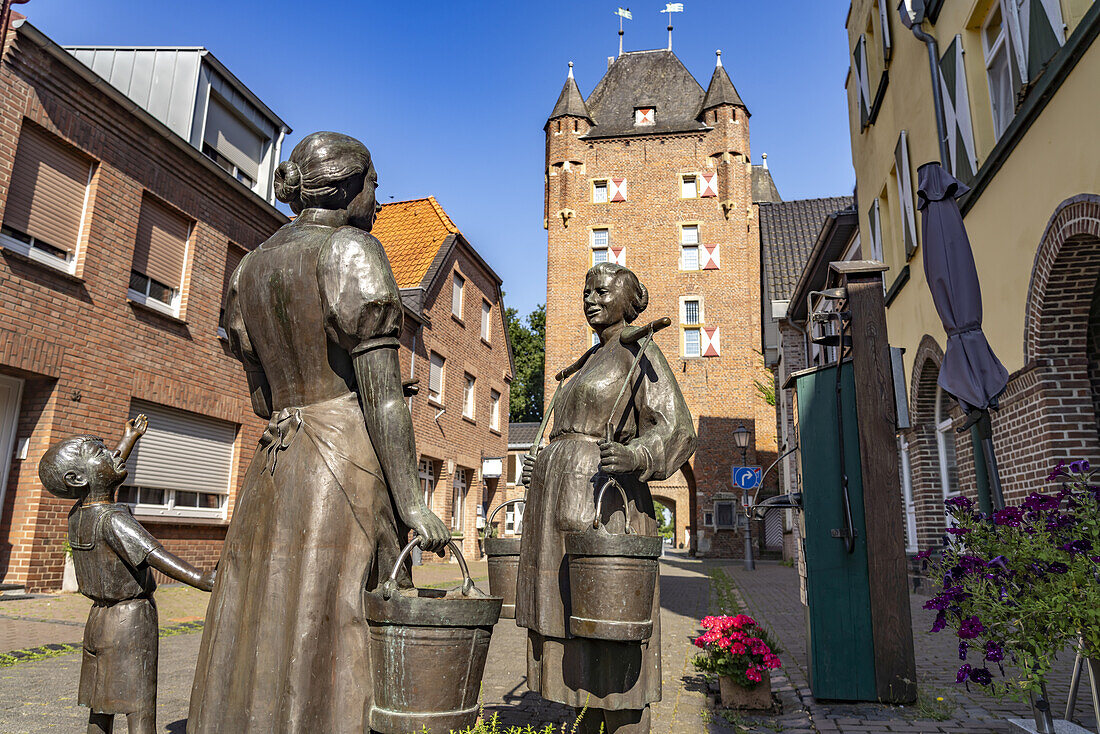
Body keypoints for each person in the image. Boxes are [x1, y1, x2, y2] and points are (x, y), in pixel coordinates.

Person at [187, 132, 450, 733]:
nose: (380, 201)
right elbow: (383, 396)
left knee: (264, 607)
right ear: (347, 185)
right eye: (375, 185)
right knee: (337, 609)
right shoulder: (354, 251)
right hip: (343, 453)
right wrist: (413, 503)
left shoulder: (249, 269)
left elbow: (260, 399)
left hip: (276, 461)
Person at [516, 263, 697, 734]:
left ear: (629, 299)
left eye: (602, 291)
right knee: (574, 627)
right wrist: (548, 459)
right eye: (585, 290)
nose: (590, 298)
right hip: (560, 503)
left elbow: (677, 429)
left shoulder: (640, 353)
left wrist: (638, 453)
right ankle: (591, 713)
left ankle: (622, 718)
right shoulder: (584, 363)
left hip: (606, 508)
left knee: (608, 622)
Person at [38, 415, 215, 734]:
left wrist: (129, 438)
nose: (111, 456)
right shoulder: (113, 519)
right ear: (76, 478)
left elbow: (107, 470)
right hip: (131, 620)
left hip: (98, 621)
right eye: (99, 452)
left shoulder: (78, 515)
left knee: (100, 703)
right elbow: (157, 556)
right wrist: (203, 580)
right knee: (138, 704)